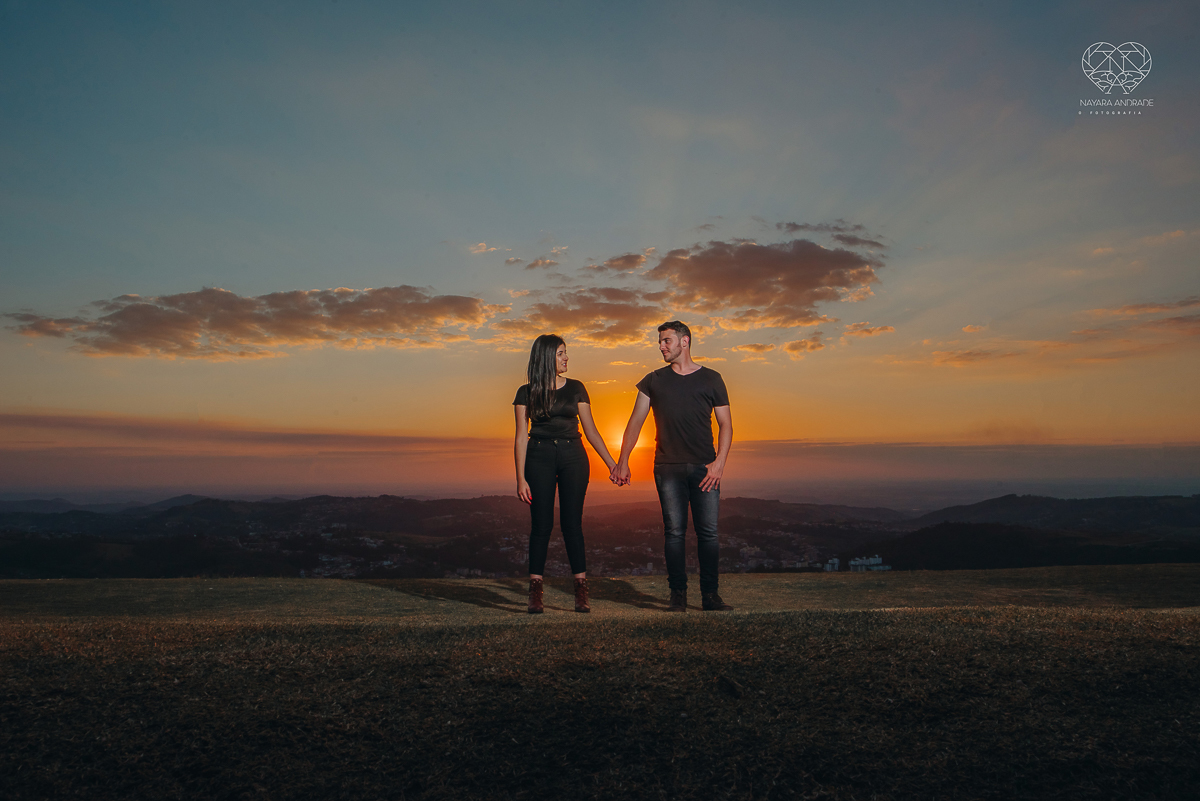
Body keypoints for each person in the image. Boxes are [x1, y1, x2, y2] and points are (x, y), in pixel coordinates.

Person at [611, 321, 734, 612]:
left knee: (709, 533)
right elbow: (634, 423)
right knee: (674, 533)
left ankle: (710, 597)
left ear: (685, 341)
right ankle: (677, 595)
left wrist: (719, 464)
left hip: (706, 468)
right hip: (667, 468)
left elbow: (726, 424)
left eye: (667, 341)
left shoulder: (712, 379)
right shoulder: (653, 380)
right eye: (660, 342)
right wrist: (623, 461)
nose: (662, 346)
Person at [514, 334, 618, 614]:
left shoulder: (577, 388)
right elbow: (521, 437)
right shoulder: (526, 392)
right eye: (561, 353)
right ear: (547, 357)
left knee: (573, 524)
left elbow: (592, 431)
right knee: (541, 525)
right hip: (539, 457)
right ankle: (535, 593)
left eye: (566, 352)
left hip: (574, 456)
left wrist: (612, 464)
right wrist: (520, 478)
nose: (566, 358)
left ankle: (580, 592)